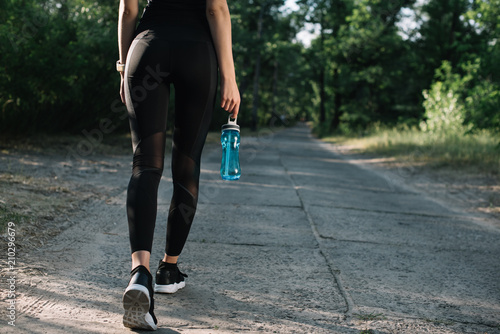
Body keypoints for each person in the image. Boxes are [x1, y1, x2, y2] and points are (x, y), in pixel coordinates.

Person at [117, 0, 240, 330]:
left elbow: (128, 9)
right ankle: (168, 269)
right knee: (187, 165)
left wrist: (123, 65)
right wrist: (229, 77)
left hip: (147, 48)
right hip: (197, 53)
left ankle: (139, 275)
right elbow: (216, 10)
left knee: (145, 164)